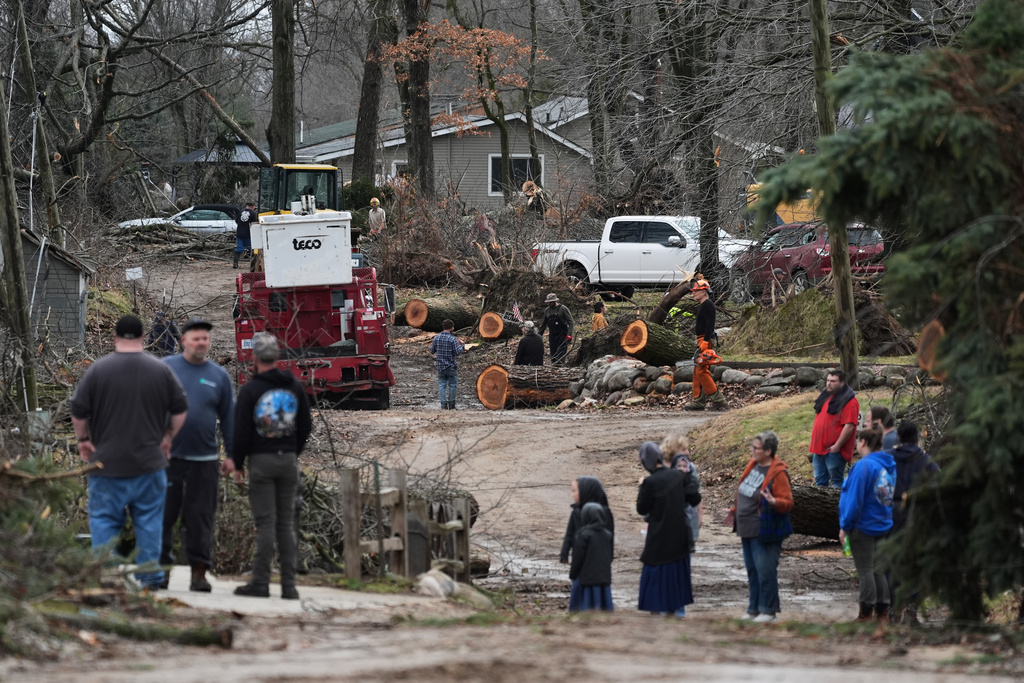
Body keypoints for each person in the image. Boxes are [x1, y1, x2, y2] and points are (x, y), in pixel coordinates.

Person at [70, 314, 189, 590]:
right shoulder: (159, 369)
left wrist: (84, 440)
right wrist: (168, 437)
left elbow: (78, 410)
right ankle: (149, 580)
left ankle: (109, 579)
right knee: (148, 523)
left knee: (103, 521)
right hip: (149, 464)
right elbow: (182, 408)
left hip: (107, 465)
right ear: (144, 338)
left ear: (115, 337)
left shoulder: (98, 370)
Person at [224, 333, 312, 599]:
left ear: (254, 358)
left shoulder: (251, 390)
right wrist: (292, 451)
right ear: (277, 356)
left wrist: (238, 463)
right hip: (287, 461)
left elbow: (241, 432)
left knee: (265, 524)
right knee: (285, 524)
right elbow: (306, 425)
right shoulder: (294, 386)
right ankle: (289, 586)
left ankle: (261, 582)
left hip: (261, 462)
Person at [160, 318, 235, 592]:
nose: (201, 343)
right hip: (168, 459)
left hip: (205, 460)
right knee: (163, 515)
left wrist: (233, 455)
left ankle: (199, 572)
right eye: (196, 338)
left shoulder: (219, 376)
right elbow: (151, 408)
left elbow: (228, 418)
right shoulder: (166, 369)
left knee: (201, 516)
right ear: (184, 341)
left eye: (205, 339)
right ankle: (161, 571)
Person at [727, 431, 794, 623]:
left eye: (756, 448)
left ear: (768, 451)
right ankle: (753, 609)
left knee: (765, 570)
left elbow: (787, 502)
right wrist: (735, 510)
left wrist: (774, 502)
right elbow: (746, 492)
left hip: (765, 529)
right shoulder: (753, 465)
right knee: (752, 570)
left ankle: (768, 610)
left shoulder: (778, 472)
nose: (752, 450)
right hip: (746, 527)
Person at [838, 426, 896, 622]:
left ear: (863, 442)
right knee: (879, 568)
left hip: (864, 525)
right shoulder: (887, 465)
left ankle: (866, 611)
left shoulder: (864, 466)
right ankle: (883, 611)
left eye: (857, 442)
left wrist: (845, 525)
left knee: (865, 570)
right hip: (883, 522)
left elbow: (854, 499)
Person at [636, 441, 700, 618]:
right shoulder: (678, 476)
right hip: (679, 534)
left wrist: (642, 487)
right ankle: (674, 609)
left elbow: (642, 509)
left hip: (658, 534)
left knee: (656, 571)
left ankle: (655, 607)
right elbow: (695, 498)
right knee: (676, 572)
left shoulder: (650, 482)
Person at [889, 420, 939, 622]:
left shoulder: (888, 459)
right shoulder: (927, 462)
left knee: (892, 562)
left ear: (898, 438)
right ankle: (911, 608)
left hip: (891, 514)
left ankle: (893, 608)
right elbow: (938, 488)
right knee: (915, 563)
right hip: (918, 515)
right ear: (917, 439)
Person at [808, 369, 860, 488]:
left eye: (833, 381)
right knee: (820, 483)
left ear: (842, 383)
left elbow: (850, 425)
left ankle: (839, 506)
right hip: (818, 449)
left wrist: (837, 446)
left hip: (834, 451)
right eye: (828, 380)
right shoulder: (826, 396)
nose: (829, 383)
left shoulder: (850, 401)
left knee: (837, 483)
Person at [685, 276, 727, 411]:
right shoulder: (704, 305)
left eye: (696, 290)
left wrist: (705, 341)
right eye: (693, 290)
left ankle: (719, 400)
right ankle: (698, 401)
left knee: (701, 371)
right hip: (702, 340)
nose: (693, 292)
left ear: (704, 291)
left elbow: (710, 325)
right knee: (697, 372)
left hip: (706, 340)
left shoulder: (708, 305)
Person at [661, 434, 703, 554]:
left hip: (689, 520)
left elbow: (697, 493)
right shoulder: (661, 469)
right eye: (684, 449)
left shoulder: (690, 468)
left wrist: (700, 515)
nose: (688, 452)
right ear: (673, 451)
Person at [568, 502, 614, 612]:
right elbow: (609, 555)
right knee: (604, 607)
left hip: (588, 578)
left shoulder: (583, 534)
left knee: (587, 607)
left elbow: (578, 557)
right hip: (604, 577)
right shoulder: (607, 534)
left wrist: (573, 573)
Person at [559, 476, 614, 568]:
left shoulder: (604, 512)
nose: (572, 495)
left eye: (574, 491)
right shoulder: (576, 511)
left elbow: (610, 536)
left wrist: (609, 557)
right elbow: (569, 533)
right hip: (579, 558)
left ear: (586, 492)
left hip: (598, 559)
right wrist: (564, 554)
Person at [429, 319, 465, 410]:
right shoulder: (452, 339)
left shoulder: (436, 338)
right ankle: (451, 404)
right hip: (451, 366)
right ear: (451, 328)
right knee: (452, 385)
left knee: (442, 385)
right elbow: (457, 352)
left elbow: (432, 351)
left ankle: (443, 404)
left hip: (440, 366)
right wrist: (462, 346)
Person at [538, 293, 574, 365]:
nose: (550, 303)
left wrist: (569, 334)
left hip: (562, 334)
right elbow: (543, 324)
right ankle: (554, 368)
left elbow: (571, 322)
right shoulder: (547, 311)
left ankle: (560, 366)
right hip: (552, 335)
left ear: (555, 301)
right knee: (553, 354)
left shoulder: (563, 309)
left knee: (560, 354)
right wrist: (538, 336)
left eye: (551, 302)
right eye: (549, 302)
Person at [234, 201, 256, 269]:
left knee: (239, 248)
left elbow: (236, 221)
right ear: (253, 206)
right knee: (252, 249)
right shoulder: (253, 213)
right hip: (248, 234)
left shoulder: (241, 212)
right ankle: (253, 265)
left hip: (239, 233)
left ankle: (235, 263)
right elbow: (254, 224)